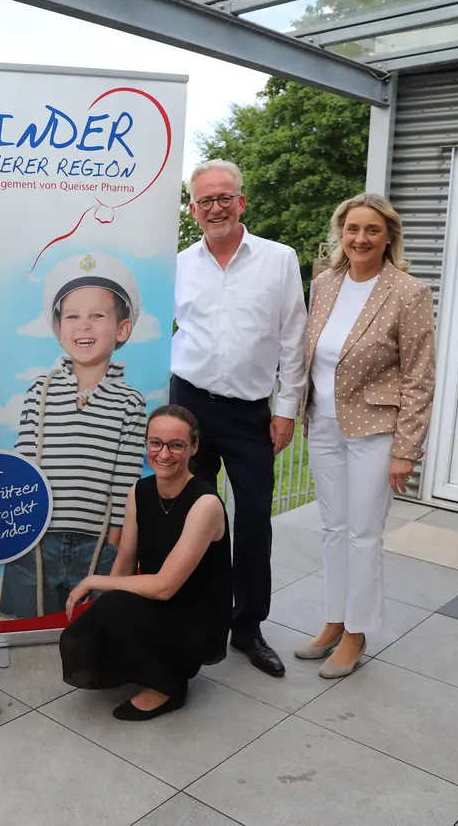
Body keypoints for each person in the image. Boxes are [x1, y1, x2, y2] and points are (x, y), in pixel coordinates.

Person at [170, 159, 307, 677]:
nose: (216, 208)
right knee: (193, 519)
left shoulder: (278, 260)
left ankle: (247, 626)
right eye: (205, 200)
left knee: (252, 522)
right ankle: (200, 616)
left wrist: (287, 409)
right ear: (193, 209)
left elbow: (294, 338)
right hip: (191, 406)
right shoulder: (180, 264)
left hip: (251, 411)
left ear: (241, 202)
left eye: (224, 197)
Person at [297, 193, 436, 678]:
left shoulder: (407, 292)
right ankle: (333, 621)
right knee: (334, 530)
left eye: (372, 230)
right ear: (341, 233)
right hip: (326, 425)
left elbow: (420, 376)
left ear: (389, 237)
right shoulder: (325, 283)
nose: (360, 239)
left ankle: (356, 634)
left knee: (363, 535)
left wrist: (406, 448)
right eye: (352, 229)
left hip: (376, 429)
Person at [0, 252, 147, 619]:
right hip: (36, 543)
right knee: (26, 628)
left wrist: (111, 548)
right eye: (73, 316)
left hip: (95, 544)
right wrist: (22, 534)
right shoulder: (40, 391)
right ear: (60, 328)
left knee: (88, 632)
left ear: (122, 329)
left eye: (97, 316)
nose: (84, 326)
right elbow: (24, 471)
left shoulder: (131, 403)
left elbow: (125, 483)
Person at [59, 405, 230, 720]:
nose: (164, 454)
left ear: (193, 447)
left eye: (176, 445)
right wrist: (106, 621)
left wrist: (93, 581)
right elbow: (125, 559)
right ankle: (145, 661)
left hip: (195, 616)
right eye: (155, 443)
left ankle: (169, 686)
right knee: (89, 629)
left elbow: (165, 587)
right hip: (156, 601)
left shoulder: (206, 504)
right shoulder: (139, 491)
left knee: (112, 607)